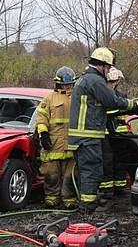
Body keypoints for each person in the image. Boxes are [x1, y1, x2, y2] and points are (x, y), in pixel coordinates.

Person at [68, 47, 138, 213]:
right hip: (88, 136)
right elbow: (112, 100)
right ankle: (87, 207)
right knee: (91, 170)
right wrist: (133, 105)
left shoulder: (85, 79)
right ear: (102, 66)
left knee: (89, 170)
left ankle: (89, 202)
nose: (108, 72)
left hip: (83, 137)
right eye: (108, 68)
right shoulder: (95, 81)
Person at [35, 66, 78, 209]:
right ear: (58, 83)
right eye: (65, 83)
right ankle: (52, 198)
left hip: (72, 143)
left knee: (69, 175)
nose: (68, 86)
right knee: (51, 173)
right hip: (53, 143)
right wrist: (44, 134)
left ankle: (69, 199)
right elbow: (41, 119)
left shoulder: (77, 97)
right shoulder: (49, 98)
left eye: (70, 83)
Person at [99, 67, 130, 202]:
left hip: (120, 135)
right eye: (110, 82)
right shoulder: (102, 97)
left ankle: (120, 188)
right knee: (106, 163)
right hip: (105, 136)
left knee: (120, 163)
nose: (112, 85)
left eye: (114, 82)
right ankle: (106, 191)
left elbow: (131, 109)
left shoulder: (122, 96)